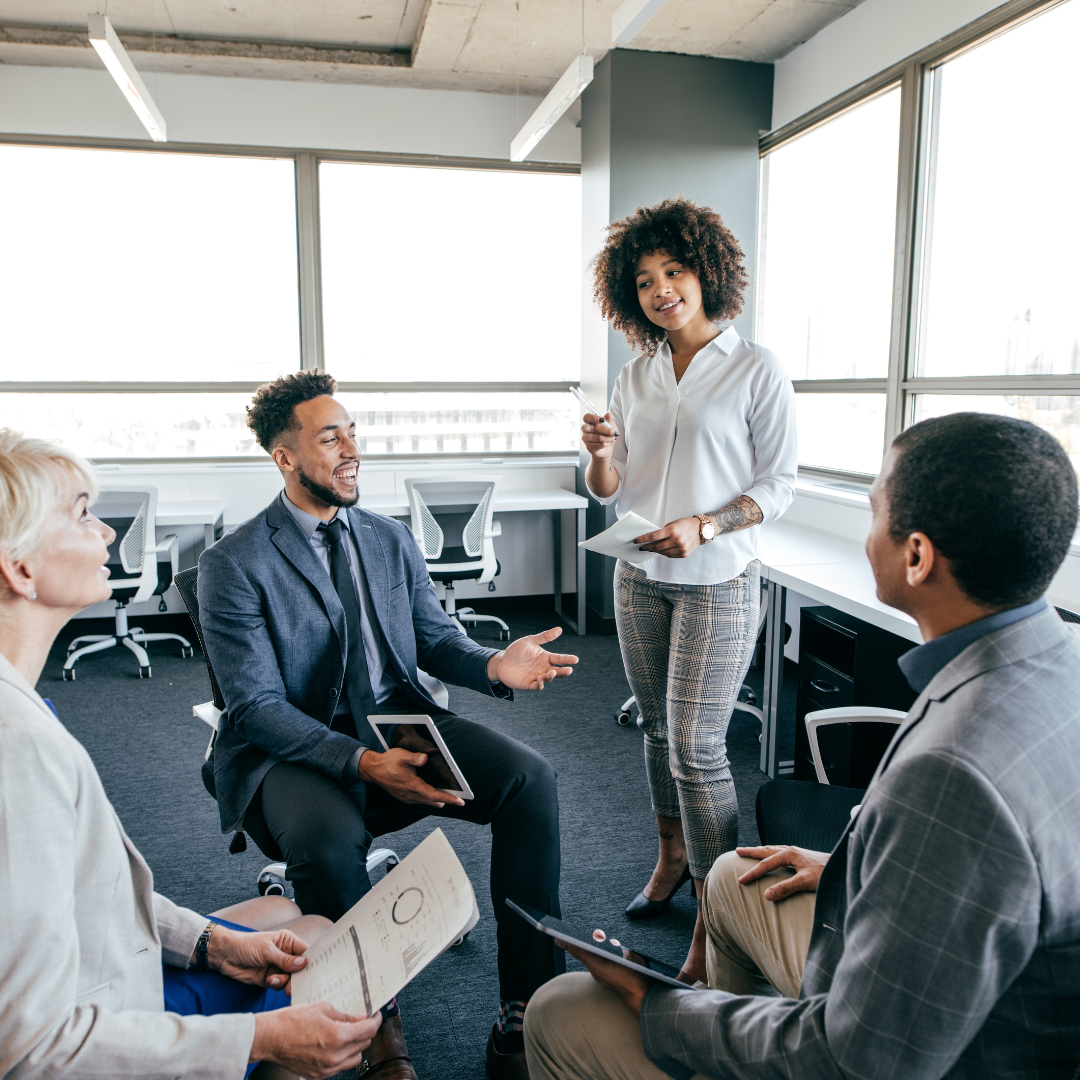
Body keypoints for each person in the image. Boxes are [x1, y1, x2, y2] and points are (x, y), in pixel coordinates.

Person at [525, 411, 1080, 1079]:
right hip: (979, 980)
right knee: (731, 877)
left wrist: (661, 1009)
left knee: (561, 1010)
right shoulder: (1055, 660)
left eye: (874, 513)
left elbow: (856, 1059)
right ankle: (721, 1030)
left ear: (917, 556)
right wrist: (855, 866)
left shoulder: (953, 772)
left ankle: (706, 1037)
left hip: (928, 1052)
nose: (867, 533)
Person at [197, 370, 579, 1080]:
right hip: (289, 747)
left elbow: (433, 638)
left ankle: (527, 1009)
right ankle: (375, 1028)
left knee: (530, 780)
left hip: (395, 720)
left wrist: (495, 665)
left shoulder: (388, 537)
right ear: (285, 457)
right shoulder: (234, 564)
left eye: (353, 433)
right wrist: (362, 763)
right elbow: (255, 707)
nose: (352, 450)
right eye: (330, 438)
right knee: (326, 841)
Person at [0, 428, 383, 1080]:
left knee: (285, 918)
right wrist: (258, 1038)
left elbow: (78, 894)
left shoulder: (25, 706)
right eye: (83, 514)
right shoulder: (18, 750)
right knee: (319, 954)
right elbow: (31, 1048)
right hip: (91, 1024)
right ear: (19, 568)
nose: (107, 534)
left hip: (88, 962)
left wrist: (212, 945)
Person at [581, 197, 797, 981]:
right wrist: (600, 452)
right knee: (654, 731)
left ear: (707, 273)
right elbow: (610, 488)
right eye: (643, 280)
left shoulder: (755, 368)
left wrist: (706, 525)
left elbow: (780, 485)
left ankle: (717, 911)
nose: (660, 289)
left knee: (699, 748)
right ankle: (671, 857)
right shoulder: (634, 375)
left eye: (673, 271)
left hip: (718, 579)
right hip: (639, 574)